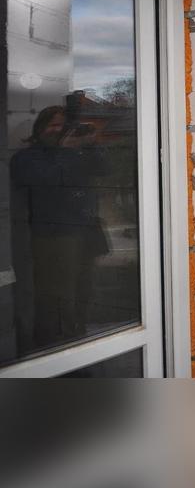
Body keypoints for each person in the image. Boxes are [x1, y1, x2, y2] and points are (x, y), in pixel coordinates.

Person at [9, 106, 110, 357]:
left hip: (86, 233)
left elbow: (105, 169)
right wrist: (66, 150)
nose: (58, 130)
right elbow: (48, 182)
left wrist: (92, 143)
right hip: (52, 237)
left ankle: (77, 338)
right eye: (53, 125)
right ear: (39, 129)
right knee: (56, 295)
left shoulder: (75, 153)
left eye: (62, 125)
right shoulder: (26, 158)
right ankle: (54, 347)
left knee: (84, 290)